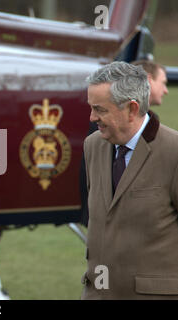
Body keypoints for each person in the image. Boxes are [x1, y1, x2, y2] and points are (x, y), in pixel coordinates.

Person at [81, 61, 178, 299]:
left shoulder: (174, 151)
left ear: (132, 109)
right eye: (91, 108)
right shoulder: (92, 145)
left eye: (100, 109)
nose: (92, 117)